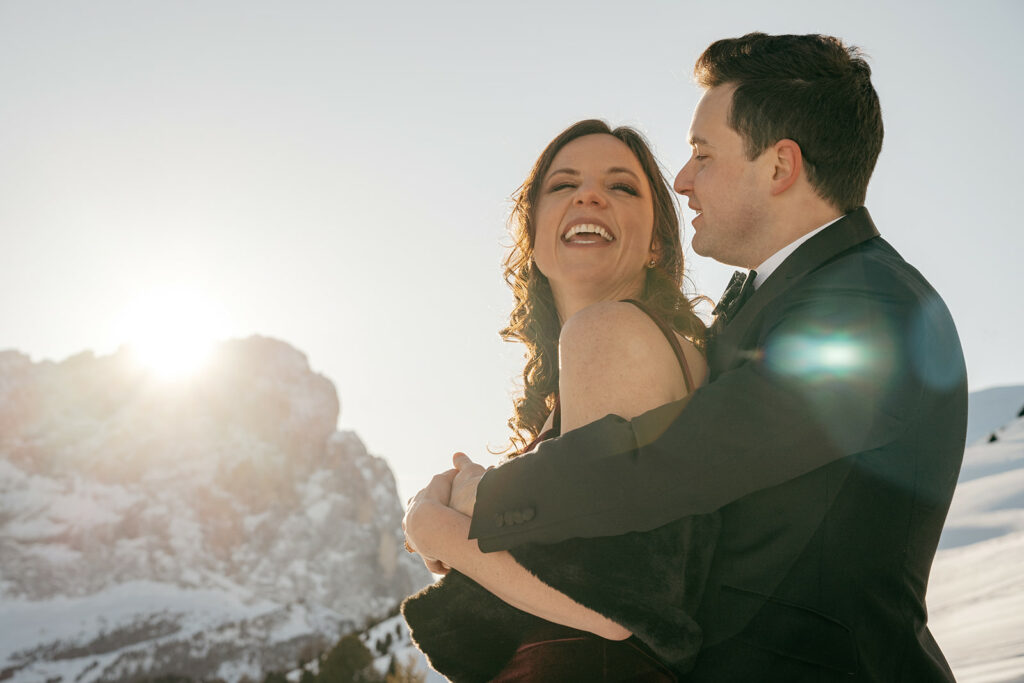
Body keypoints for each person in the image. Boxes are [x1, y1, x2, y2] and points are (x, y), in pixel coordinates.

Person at [445, 33, 968, 681]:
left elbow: (680, 458)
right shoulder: (770, 303)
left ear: (779, 167)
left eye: (702, 154)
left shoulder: (871, 306)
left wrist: (484, 499)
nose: (683, 179)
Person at [401, 119, 719, 681]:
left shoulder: (610, 330)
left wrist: (432, 527)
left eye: (621, 186)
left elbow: (614, 605)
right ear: (534, 234)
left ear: (656, 244)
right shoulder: (616, 349)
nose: (588, 195)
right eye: (563, 184)